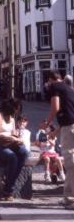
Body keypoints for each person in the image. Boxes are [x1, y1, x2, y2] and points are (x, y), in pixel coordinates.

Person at [0, 99, 28, 200]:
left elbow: (13, 132)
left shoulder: (12, 117)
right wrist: (11, 137)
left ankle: (9, 181)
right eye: (15, 109)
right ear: (10, 108)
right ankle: (8, 190)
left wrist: (18, 139)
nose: (16, 112)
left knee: (23, 152)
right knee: (12, 157)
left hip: (8, 143)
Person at [45, 70, 74, 209]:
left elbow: (55, 108)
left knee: (70, 163)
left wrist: (46, 122)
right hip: (69, 126)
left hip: (70, 129)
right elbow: (69, 115)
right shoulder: (69, 88)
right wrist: (55, 132)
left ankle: (70, 200)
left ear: (51, 79)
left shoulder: (54, 87)